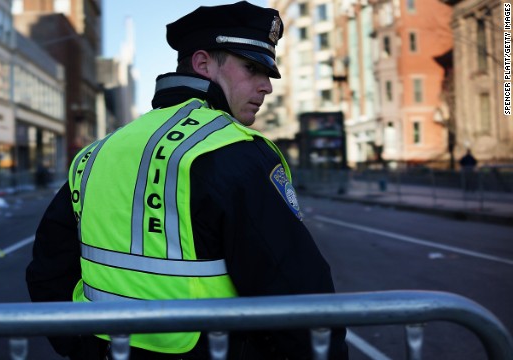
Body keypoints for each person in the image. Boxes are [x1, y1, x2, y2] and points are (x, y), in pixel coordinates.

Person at [26, 2, 348, 359]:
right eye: (252, 68)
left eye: (267, 75)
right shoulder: (233, 151)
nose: (265, 87)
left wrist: (84, 348)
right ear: (203, 64)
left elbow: (49, 271)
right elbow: (295, 290)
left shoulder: (96, 153)